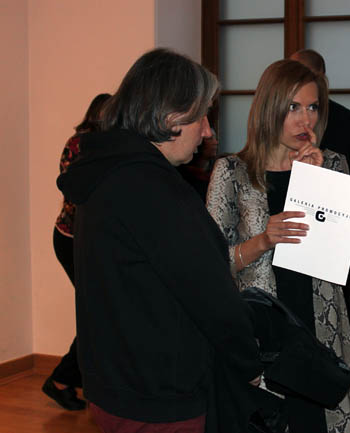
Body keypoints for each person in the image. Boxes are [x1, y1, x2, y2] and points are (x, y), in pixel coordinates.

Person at [56, 48, 262, 432]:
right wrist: (249, 362)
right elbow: (211, 296)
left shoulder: (106, 172)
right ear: (171, 117)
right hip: (159, 395)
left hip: (114, 386)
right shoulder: (155, 191)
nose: (207, 131)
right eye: (202, 116)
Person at [206, 59, 350, 433]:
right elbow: (209, 265)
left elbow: (346, 256)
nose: (306, 120)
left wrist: (316, 183)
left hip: (318, 324)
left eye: (313, 107)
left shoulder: (332, 165)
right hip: (262, 331)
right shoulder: (232, 172)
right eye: (293, 107)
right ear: (270, 108)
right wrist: (262, 241)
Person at [290, 49, 350, 372]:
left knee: (339, 319)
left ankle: (341, 384)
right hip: (293, 236)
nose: (305, 117)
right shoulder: (281, 124)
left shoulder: (344, 121)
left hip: (335, 242)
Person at [42, 92, 111, 411]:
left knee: (99, 312)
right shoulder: (80, 144)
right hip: (71, 238)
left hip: (87, 238)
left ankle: (66, 379)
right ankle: (60, 379)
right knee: (96, 312)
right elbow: (73, 188)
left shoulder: (103, 145)